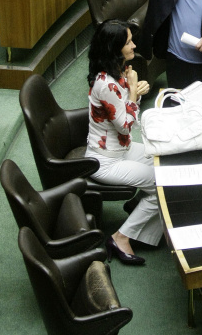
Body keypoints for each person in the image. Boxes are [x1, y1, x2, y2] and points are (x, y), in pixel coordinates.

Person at [85, 19, 163, 266]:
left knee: (165, 162)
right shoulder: (105, 83)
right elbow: (127, 124)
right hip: (106, 161)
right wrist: (133, 92)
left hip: (122, 149)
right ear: (114, 48)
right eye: (128, 41)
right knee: (160, 185)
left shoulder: (118, 71)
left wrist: (136, 91)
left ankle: (137, 204)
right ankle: (121, 237)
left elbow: (126, 113)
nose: (134, 45)